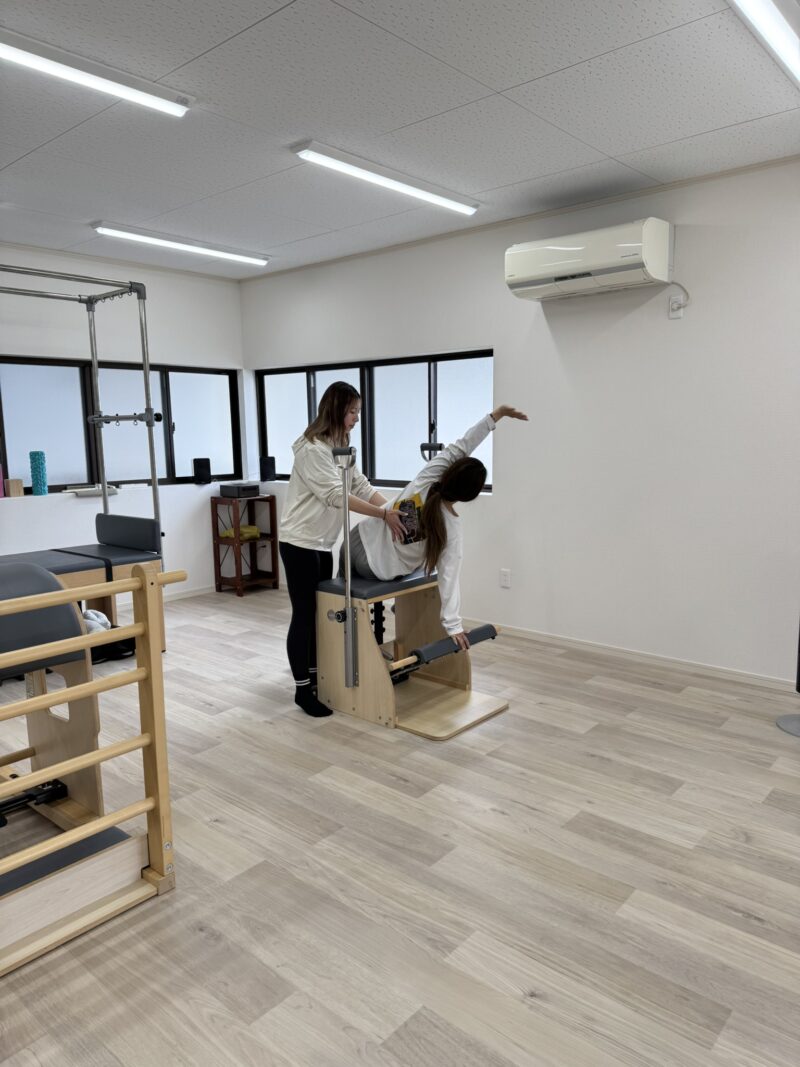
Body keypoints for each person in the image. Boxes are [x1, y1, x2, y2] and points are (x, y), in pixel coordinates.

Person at [344, 405, 528, 651]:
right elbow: (449, 577)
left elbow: (462, 446)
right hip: (377, 569)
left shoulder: (427, 478)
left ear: (451, 471)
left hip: (355, 541)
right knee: (428, 559)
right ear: (469, 496)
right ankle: (403, 604)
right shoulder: (451, 528)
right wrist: (454, 626)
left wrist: (496, 415)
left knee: (420, 558)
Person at [279, 381, 405, 717]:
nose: (356, 419)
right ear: (336, 410)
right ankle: (302, 690)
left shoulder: (341, 445)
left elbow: (358, 484)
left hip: (323, 542)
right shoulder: (311, 450)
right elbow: (336, 495)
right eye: (352, 412)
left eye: (358, 412)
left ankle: (318, 679)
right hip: (299, 543)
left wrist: (393, 508)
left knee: (320, 614)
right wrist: (383, 515)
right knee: (304, 615)